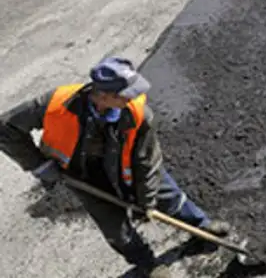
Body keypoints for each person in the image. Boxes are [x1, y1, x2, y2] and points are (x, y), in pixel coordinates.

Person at [0, 57, 231, 278]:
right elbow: (6, 128)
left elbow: (147, 162)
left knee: (170, 197)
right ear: (103, 96)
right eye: (127, 94)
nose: (135, 97)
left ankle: (203, 227)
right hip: (83, 176)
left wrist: (146, 202)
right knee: (116, 230)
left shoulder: (138, 114)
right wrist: (39, 166)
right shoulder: (57, 103)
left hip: (130, 166)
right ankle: (146, 263)